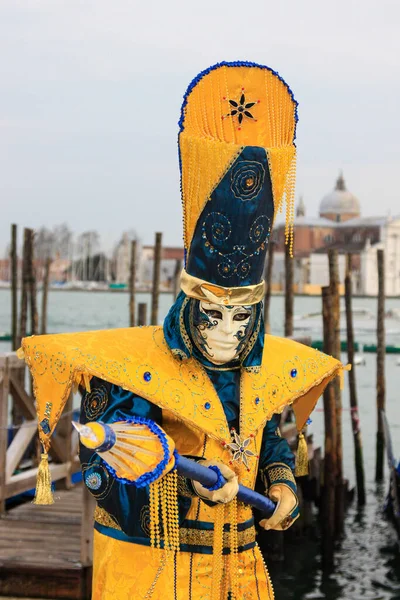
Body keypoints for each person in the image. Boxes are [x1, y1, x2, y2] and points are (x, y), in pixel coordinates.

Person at [19, 61, 346, 599]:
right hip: (154, 578)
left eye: (241, 318)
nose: (225, 331)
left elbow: (266, 441)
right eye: (212, 314)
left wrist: (282, 489)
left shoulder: (256, 370)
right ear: (188, 305)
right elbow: (109, 474)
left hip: (238, 576)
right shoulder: (134, 370)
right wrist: (185, 485)